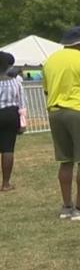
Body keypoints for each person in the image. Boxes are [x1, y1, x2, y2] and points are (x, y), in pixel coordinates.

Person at [43, 26, 80, 221]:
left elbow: (46, 90)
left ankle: (66, 206)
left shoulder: (50, 61)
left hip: (55, 111)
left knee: (65, 160)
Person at [0, 51, 25, 192]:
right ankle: (6, 183)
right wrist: (23, 121)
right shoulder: (16, 81)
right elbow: (22, 102)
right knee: (8, 149)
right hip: (11, 114)